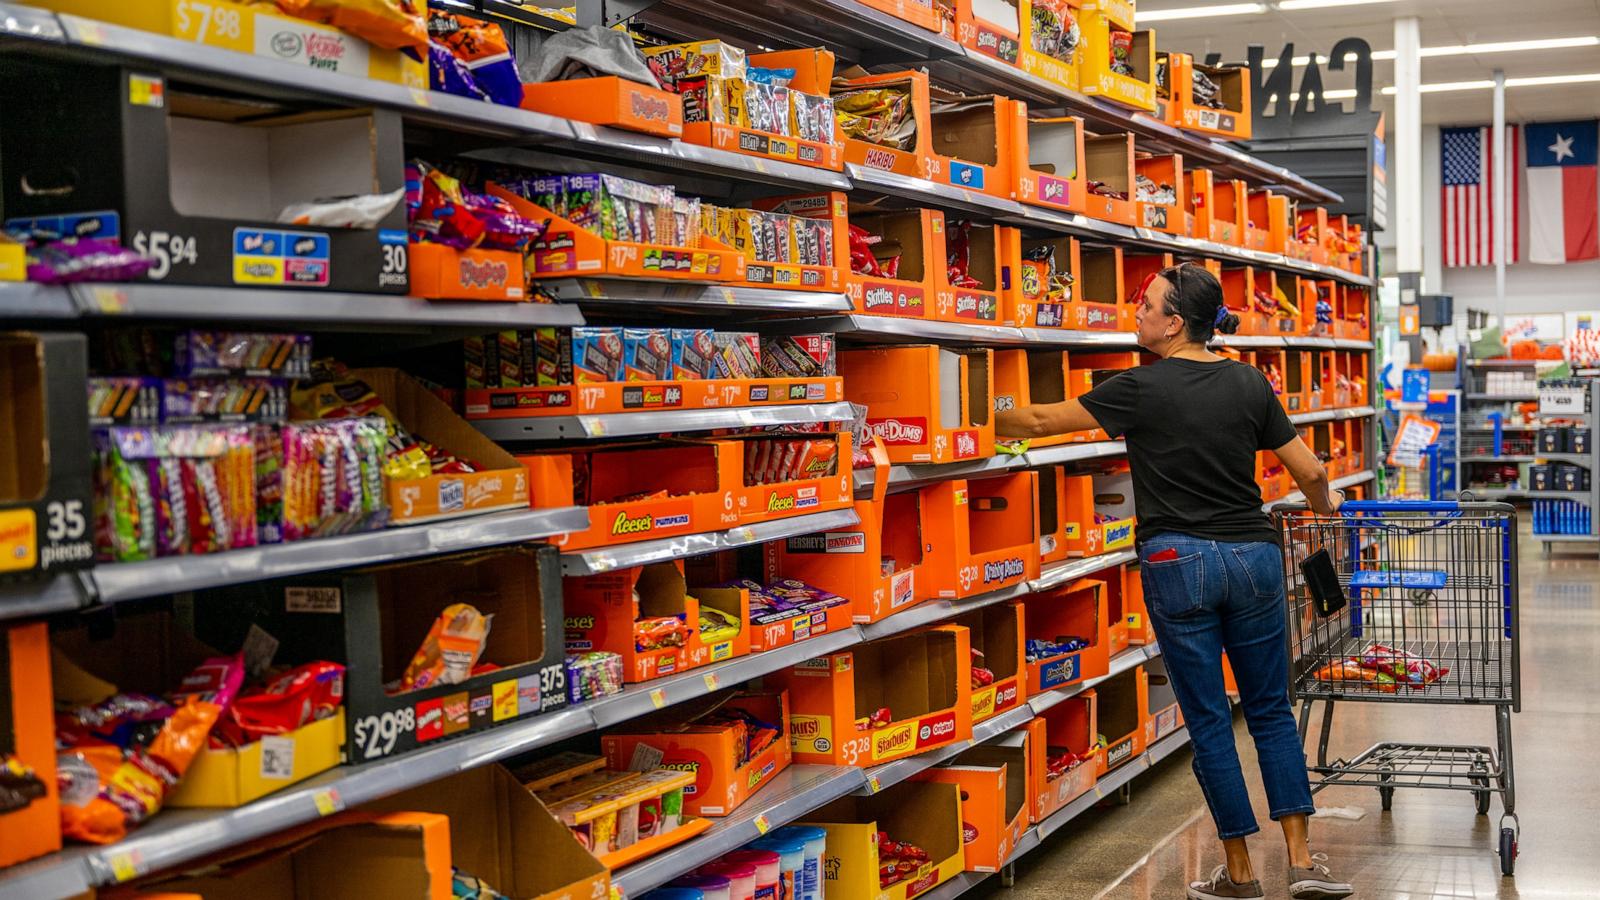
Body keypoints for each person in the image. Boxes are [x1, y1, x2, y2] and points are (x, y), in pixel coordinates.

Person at [995, 264, 1353, 900]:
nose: (1136, 312)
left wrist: (973, 410)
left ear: (1175, 323)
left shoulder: (1138, 388)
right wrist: (1326, 507)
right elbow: (1307, 469)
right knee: (1270, 709)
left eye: (1146, 304)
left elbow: (1044, 421)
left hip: (1176, 565)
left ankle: (1241, 872)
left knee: (1210, 720)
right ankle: (1301, 863)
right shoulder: (1248, 381)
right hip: (1252, 558)